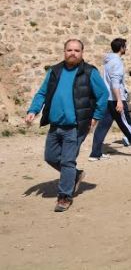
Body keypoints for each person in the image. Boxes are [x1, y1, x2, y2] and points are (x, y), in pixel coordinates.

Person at [24, 39, 109, 212]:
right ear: (64, 51)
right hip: (55, 125)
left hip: (76, 126)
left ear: (82, 53)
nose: (73, 53)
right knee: (50, 157)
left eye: (76, 50)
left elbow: (103, 94)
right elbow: (42, 92)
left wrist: (96, 117)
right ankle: (76, 175)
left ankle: (64, 197)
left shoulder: (89, 72)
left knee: (67, 161)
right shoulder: (55, 71)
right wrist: (33, 110)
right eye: (69, 50)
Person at [90, 38, 131, 159]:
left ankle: (95, 153)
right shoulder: (117, 62)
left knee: (102, 127)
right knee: (126, 124)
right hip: (115, 99)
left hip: (107, 99)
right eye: (125, 46)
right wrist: (119, 100)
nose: (126, 48)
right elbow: (115, 83)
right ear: (122, 48)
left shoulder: (107, 62)